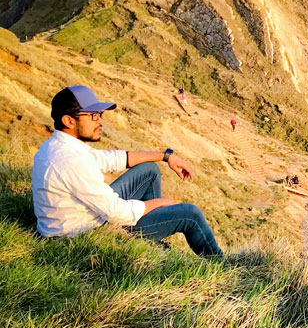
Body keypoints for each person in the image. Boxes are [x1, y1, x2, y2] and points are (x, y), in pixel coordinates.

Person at [31, 85, 223, 257]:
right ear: (69, 121)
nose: (100, 121)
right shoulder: (71, 161)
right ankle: (223, 269)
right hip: (84, 234)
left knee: (149, 170)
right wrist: (160, 203)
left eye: (100, 114)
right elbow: (118, 212)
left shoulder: (58, 146)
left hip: (81, 217)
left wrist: (166, 156)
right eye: (93, 116)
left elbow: (112, 159)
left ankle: (151, 240)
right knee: (190, 214)